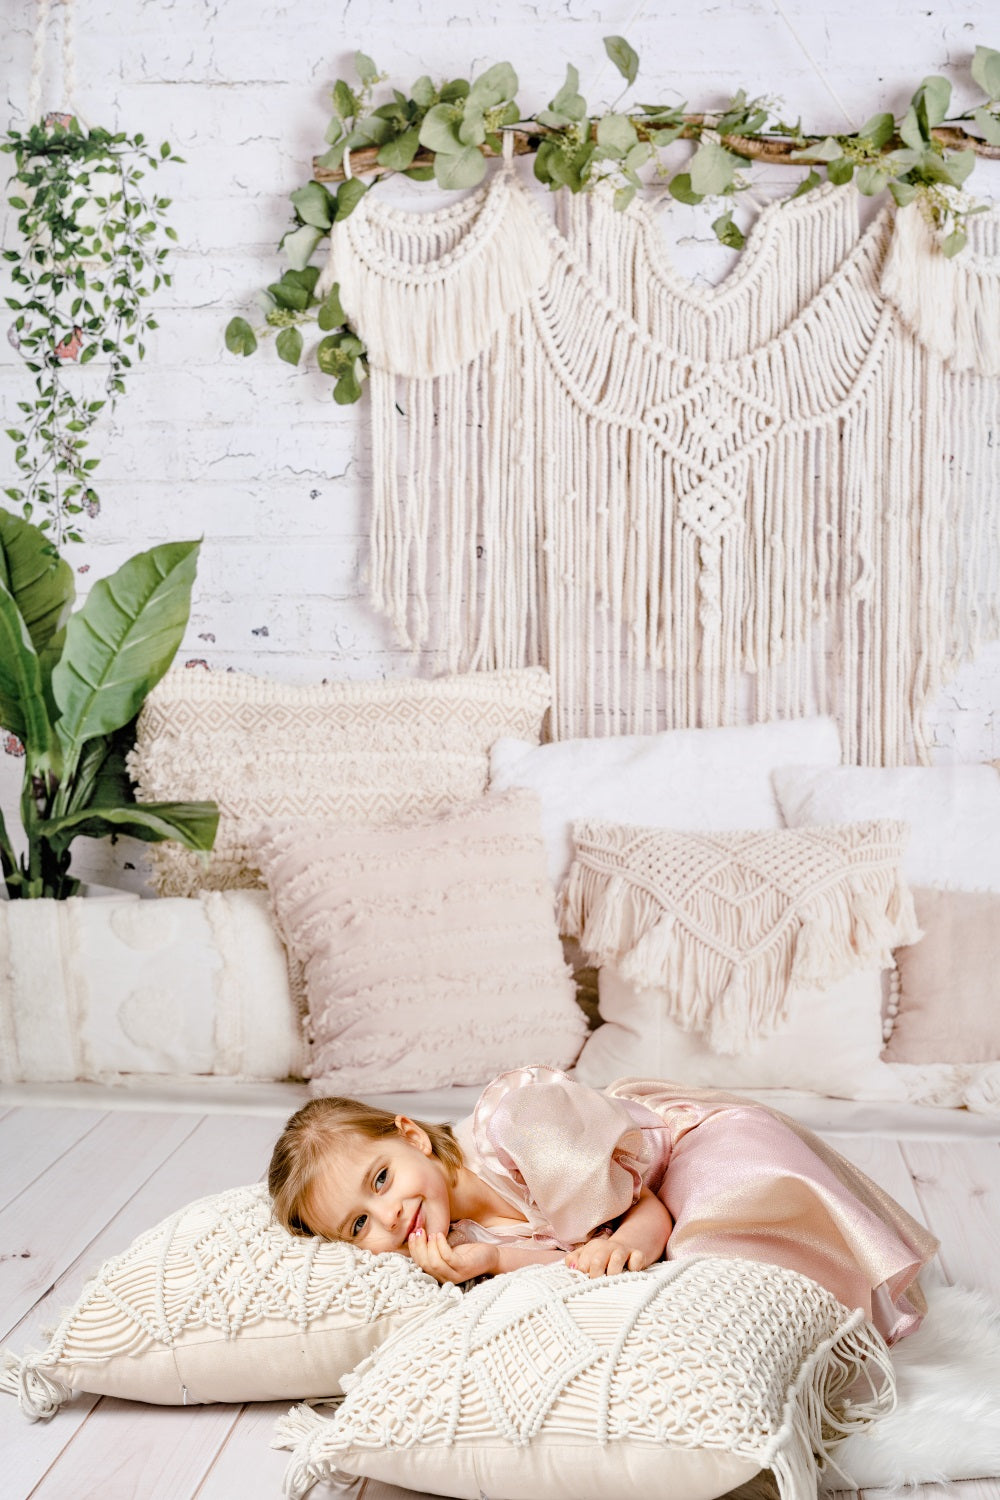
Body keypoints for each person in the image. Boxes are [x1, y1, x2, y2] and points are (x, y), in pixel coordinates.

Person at [268, 1065, 938, 1345]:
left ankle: (839, 1305)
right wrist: (496, 1259)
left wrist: (636, 1243)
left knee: (707, 1244)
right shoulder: (460, 1233)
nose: (387, 1217)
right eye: (359, 1224)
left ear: (411, 1135)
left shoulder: (515, 1122)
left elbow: (645, 1209)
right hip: (646, 1205)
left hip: (687, 1154)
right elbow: (567, 1255)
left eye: (381, 1179)